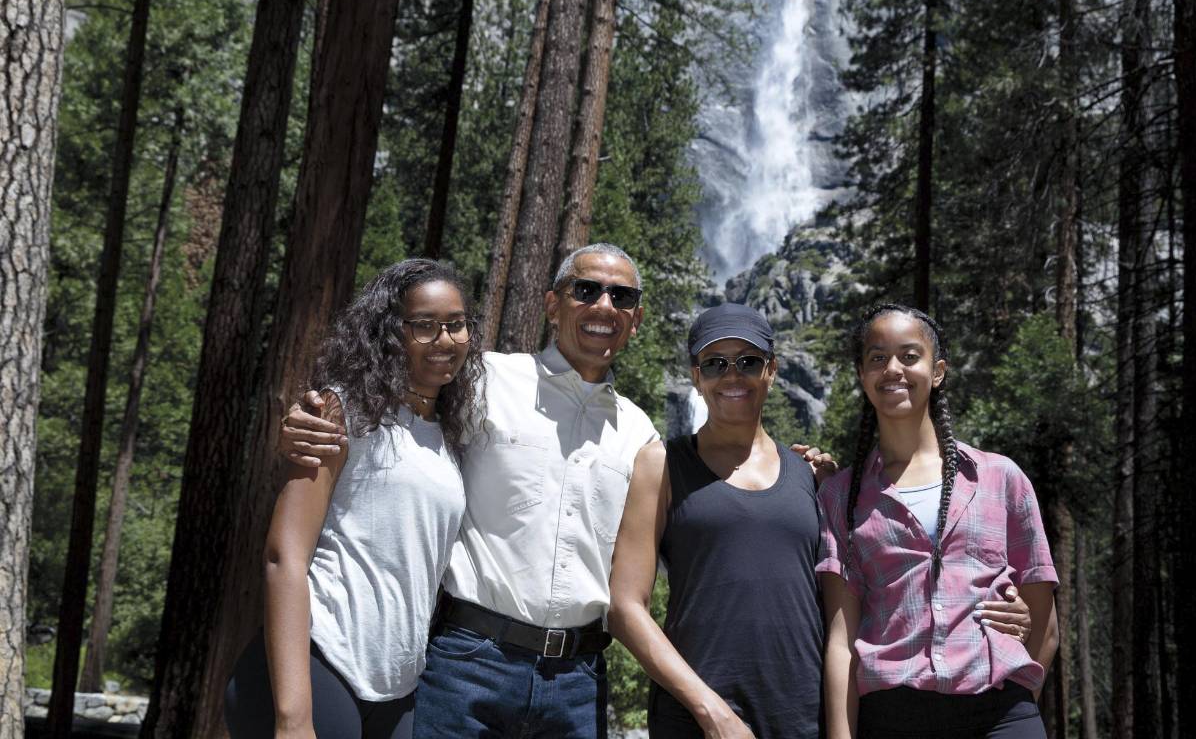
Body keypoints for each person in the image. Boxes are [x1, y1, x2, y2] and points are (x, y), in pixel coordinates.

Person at [278, 244, 659, 738]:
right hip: (467, 663)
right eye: (586, 290)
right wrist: (300, 421)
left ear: (636, 318)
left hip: (578, 682)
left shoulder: (640, 434)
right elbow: (385, 401)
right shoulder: (483, 379)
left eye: (621, 296)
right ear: (552, 305)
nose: (604, 306)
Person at [224, 259, 485, 739]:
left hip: (395, 690)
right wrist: (293, 717)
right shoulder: (343, 411)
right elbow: (285, 556)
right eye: (424, 326)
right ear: (390, 333)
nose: (445, 340)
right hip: (317, 662)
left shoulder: (449, 436)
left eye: (455, 324)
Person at [817, 304, 1060, 739]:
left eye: (910, 356)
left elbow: (1044, 622)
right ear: (861, 374)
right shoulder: (841, 495)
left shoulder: (1001, 478)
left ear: (938, 370)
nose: (893, 369)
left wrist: (1020, 706)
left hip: (1000, 712)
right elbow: (842, 641)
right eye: (877, 358)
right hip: (893, 718)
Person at [608, 303, 825, 738]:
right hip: (697, 717)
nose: (732, 376)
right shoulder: (661, 463)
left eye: (748, 361)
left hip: (801, 713)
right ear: (695, 376)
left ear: (772, 369)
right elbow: (624, 607)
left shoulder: (809, 472)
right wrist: (711, 711)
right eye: (714, 363)